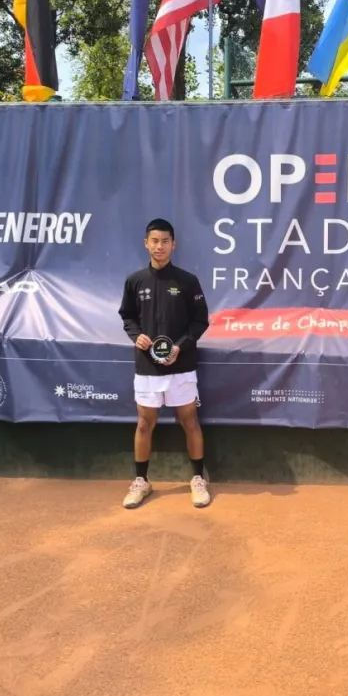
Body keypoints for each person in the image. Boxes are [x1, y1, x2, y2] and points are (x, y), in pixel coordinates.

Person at [118, 218, 211, 509]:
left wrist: (180, 346)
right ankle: (141, 481)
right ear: (146, 243)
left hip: (181, 367)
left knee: (190, 420)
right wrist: (136, 336)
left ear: (174, 244)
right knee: (145, 423)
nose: (160, 246)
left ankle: (198, 479)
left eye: (165, 241)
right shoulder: (134, 281)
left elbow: (200, 321)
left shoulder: (187, 281)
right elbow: (127, 316)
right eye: (155, 241)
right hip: (147, 368)